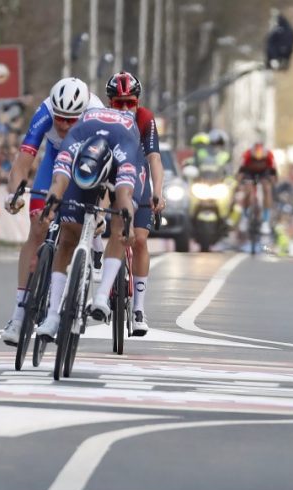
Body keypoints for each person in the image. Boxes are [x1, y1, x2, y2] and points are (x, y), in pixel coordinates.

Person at [1, 77, 102, 345]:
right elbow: (23, 162)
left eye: (72, 120)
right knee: (37, 228)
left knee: (77, 224)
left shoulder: (96, 114)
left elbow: (107, 168)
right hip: (55, 160)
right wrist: (14, 194)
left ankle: (93, 248)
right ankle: (19, 314)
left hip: (86, 162)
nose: (65, 125)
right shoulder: (44, 113)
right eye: (61, 119)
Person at [35, 108, 146, 341]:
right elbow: (58, 181)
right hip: (84, 164)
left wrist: (128, 224)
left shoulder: (125, 149)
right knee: (67, 238)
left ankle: (103, 295)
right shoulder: (74, 139)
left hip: (122, 164)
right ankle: (52, 315)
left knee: (119, 228)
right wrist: (51, 205)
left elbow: (125, 195)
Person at [103, 71, 163, 336]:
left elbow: (154, 159)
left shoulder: (145, 118)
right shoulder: (102, 120)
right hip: (112, 180)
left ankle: (138, 308)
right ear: (109, 103)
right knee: (112, 234)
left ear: (138, 101)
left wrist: (158, 191)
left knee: (139, 240)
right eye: (119, 103)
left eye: (131, 102)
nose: (126, 108)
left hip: (138, 181)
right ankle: (104, 283)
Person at [238, 142, 277, 236]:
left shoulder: (269, 155)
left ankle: (265, 221)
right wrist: (239, 183)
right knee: (247, 189)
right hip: (249, 172)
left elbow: (273, 171)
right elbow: (241, 171)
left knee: (267, 189)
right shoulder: (247, 154)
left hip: (264, 173)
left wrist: (273, 182)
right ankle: (245, 217)